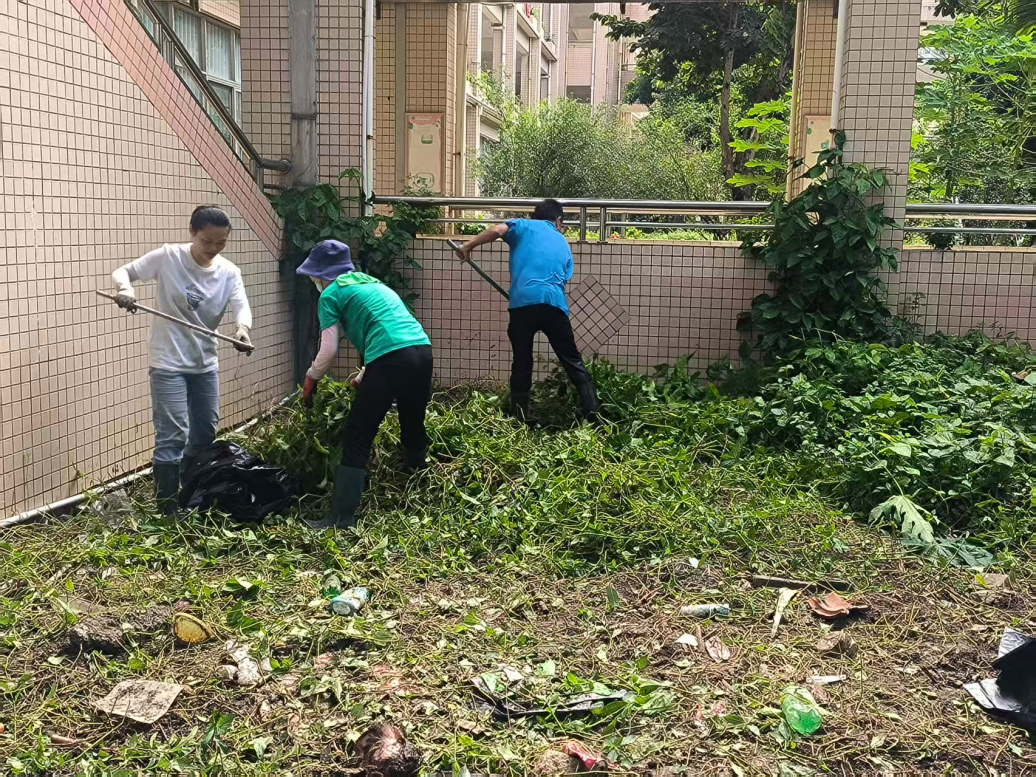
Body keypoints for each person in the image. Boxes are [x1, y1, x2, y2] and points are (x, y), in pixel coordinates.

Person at [111, 205, 253, 513]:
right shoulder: (169, 257)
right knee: (172, 436)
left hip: (205, 364)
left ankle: (190, 496)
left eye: (220, 243)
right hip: (168, 363)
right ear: (192, 232)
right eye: (207, 241)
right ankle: (167, 511)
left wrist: (242, 330)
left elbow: (241, 305)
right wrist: (125, 289)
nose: (213, 248)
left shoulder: (229, 272)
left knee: (205, 432)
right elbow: (124, 272)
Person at [298, 240, 433, 530]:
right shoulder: (371, 283)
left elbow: (328, 350)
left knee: (358, 432)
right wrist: (363, 377)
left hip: (390, 357)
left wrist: (311, 377)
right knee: (412, 419)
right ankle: (419, 486)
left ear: (320, 274)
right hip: (421, 350)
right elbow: (386, 332)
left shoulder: (331, 294)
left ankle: (341, 517)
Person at [457, 199, 600, 424]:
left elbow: (497, 230)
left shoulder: (523, 226)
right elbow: (562, 278)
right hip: (554, 305)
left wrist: (468, 246)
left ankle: (519, 418)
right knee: (572, 361)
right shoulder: (563, 242)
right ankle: (594, 417)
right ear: (558, 221)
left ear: (535, 216)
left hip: (523, 304)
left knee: (522, 361)